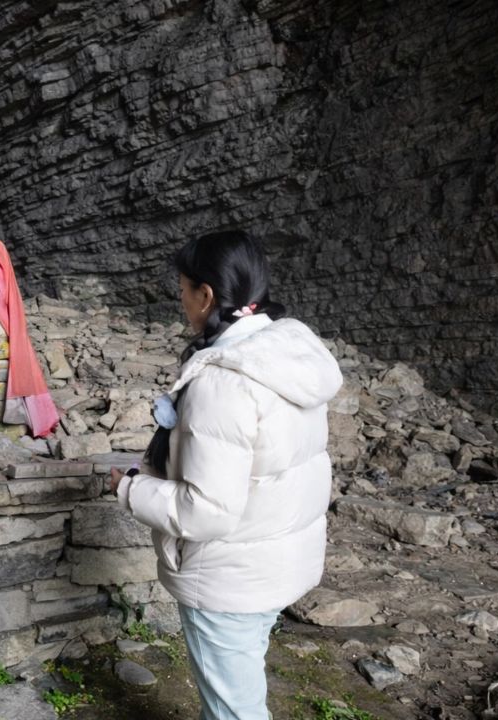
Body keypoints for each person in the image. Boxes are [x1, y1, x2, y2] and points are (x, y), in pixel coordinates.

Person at [110, 230, 343, 720]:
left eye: (182, 290)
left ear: (207, 294)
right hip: (274, 561)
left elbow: (208, 510)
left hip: (229, 578)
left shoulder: (224, 380)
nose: (181, 302)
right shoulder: (283, 352)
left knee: (234, 710)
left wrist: (130, 488)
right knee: (232, 694)